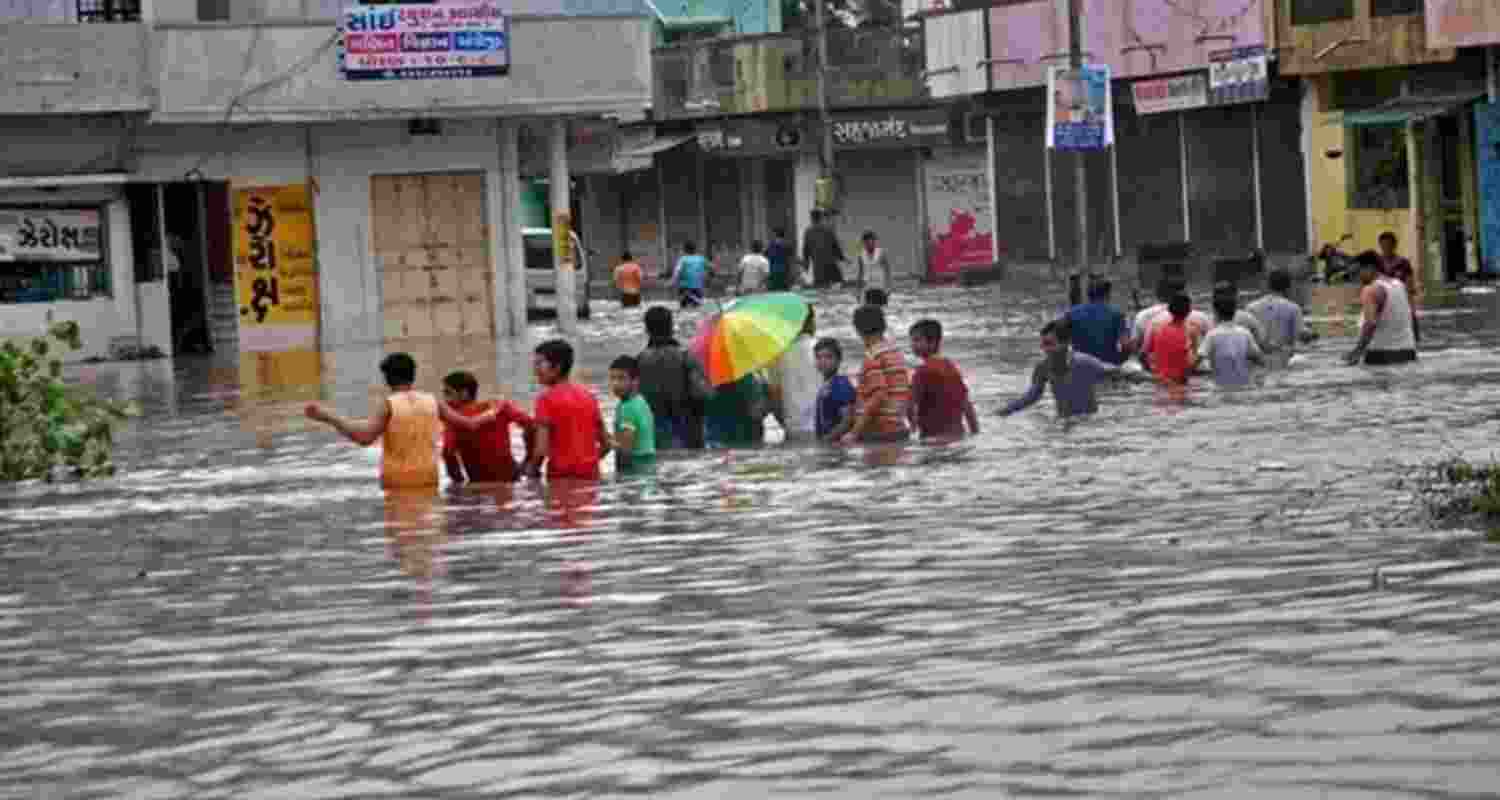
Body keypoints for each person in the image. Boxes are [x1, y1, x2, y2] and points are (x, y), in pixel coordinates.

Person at [304, 353, 495, 489]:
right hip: (429, 478)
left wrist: (330, 417)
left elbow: (364, 437)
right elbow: (470, 424)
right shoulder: (432, 401)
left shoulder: (389, 404)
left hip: (398, 481)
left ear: (387, 378)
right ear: (413, 375)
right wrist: (492, 412)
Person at [999, 319, 1143, 418]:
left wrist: (1148, 378)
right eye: (1043, 344)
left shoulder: (1085, 363)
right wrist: (1004, 412)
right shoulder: (1043, 368)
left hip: (1089, 423)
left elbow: (1119, 372)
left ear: (1066, 343)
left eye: (1049, 344)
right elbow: (1032, 397)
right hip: (1062, 421)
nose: (1045, 349)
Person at [530, 339, 610, 481]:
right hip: (591, 477)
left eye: (539, 364)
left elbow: (541, 449)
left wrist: (531, 472)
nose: (535, 370)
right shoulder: (589, 396)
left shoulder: (545, 400)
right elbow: (606, 444)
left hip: (560, 478)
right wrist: (587, 463)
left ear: (557, 367)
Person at [439, 370, 536, 484]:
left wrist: (460, 483)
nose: (445, 399)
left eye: (448, 393)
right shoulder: (499, 406)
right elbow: (532, 426)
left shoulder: (454, 420)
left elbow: (448, 454)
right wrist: (528, 459)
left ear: (464, 393)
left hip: (478, 482)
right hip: (511, 477)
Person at [637, 305, 709, 450]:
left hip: (654, 436)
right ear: (671, 328)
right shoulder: (686, 357)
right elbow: (702, 394)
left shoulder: (638, 361)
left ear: (647, 330)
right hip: (687, 433)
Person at [839, 304, 911, 444]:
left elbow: (878, 394)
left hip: (879, 431)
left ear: (858, 330)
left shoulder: (873, 356)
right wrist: (912, 423)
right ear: (883, 326)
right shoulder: (895, 352)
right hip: (898, 427)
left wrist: (854, 432)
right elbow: (905, 389)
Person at [908, 319, 979, 440]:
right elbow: (966, 405)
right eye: (912, 340)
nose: (912, 345)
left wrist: (913, 426)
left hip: (933, 439)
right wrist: (975, 431)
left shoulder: (922, 371)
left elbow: (910, 404)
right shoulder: (950, 367)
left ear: (933, 342)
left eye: (917, 340)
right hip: (958, 436)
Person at [1344, 250, 1418, 366]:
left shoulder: (1370, 290)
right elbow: (1409, 315)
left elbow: (1370, 323)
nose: (1357, 278)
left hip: (1380, 355)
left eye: (1357, 272)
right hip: (1409, 352)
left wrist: (1357, 351)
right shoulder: (1399, 285)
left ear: (1370, 268)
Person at [766, 307, 821, 442]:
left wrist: (786, 424)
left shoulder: (776, 355)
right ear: (811, 322)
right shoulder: (824, 349)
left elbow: (775, 399)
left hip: (794, 428)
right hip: (825, 427)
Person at [1198, 294, 1265, 387]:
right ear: (1234, 312)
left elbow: (1198, 360)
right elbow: (1260, 360)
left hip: (1220, 385)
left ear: (1216, 313)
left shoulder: (1212, 335)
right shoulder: (1245, 333)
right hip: (1243, 384)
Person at [607, 355, 656, 474]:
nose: (615, 384)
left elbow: (626, 448)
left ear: (635, 381)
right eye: (612, 378)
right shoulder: (641, 401)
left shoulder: (627, 408)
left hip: (634, 472)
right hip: (648, 468)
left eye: (621, 378)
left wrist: (605, 441)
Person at [1247, 268, 1304, 363]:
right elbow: (1298, 339)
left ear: (1268, 285)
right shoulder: (1294, 309)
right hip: (1283, 359)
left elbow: (1247, 341)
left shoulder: (1251, 307)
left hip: (1258, 360)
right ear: (1288, 287)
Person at [1065, 279, 1129, 365]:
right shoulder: (1117, 314)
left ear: (1088, 295)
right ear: (1107, 294)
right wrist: (1120, 360)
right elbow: (1126, 344)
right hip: (1108, 366)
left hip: (1080, 367)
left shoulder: (1071, 313)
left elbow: (1060, 341)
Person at [705, 372, 769, 448]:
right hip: (744, 439)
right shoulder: (747, 379)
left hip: (716, 438)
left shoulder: (706, 377)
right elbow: (756, 412)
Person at [1378, 231, 1421, 343]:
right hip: (1384, 302)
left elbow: (1409, 283)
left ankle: (1414, 340)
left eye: (1389, 245)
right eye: (1383, 245)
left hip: (1401, 301)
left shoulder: (1403, 263)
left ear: (1394, 245)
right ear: (1380, 246)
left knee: (1410, 319)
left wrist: (1410, 303)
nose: (1386, 248)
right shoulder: (1377, 263)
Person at [1147, 293, 1199, 384]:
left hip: (1159, 380)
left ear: (1169, 309)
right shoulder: (1192, 331)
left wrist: (1152, 371)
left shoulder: (1157, 329)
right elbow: (1195, 360)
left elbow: (1143, 355)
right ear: (1189, 311)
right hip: (1180, 381)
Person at [814, 337, 857, 441]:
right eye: (819, 357)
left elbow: (847, 421)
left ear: (839, 360)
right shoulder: (825, 385)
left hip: (837, 444)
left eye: (828, 357)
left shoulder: (841, 385)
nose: (823, 361)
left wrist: (826, 440)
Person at [802, 209, 845, 288]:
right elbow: (836, 248)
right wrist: (843, 258)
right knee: (838, 286)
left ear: (811, 218)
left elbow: (806, 251)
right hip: (830, 264)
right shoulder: (828, 231)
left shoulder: (808, 232)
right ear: (821, 218)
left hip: (818, 266)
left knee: (821, 287)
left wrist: (806, 266)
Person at [671, 241, 708, 308]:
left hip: (684, 288)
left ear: (685, 250)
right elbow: (711, 268)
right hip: (697, 287)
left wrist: (673, 281)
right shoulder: (701, 259)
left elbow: (677, 271)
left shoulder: (683, 259)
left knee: (684, 307)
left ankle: (684, 305)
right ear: (695, 249)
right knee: (697, 308)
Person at [766, 227, 793, 291]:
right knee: (784, 291)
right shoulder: (787, 245)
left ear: (775, 235)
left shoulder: (771, 245)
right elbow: (790, 259)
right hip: (785, 272)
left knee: (775, 291)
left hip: (774, 272)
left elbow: (767, 257)